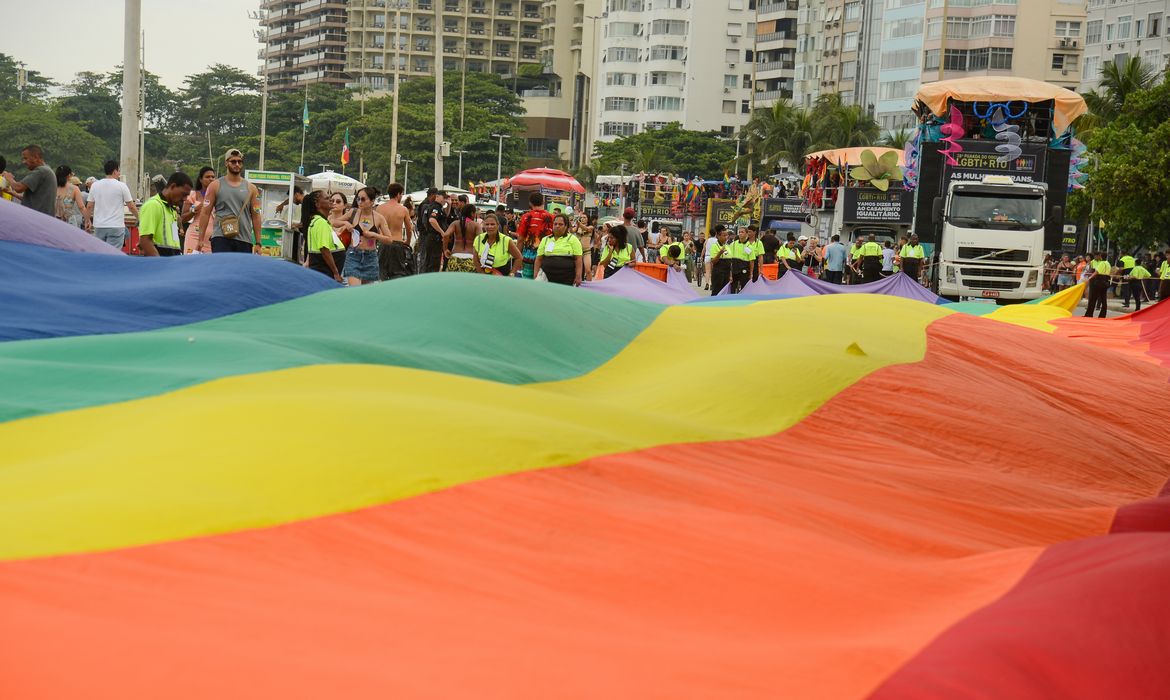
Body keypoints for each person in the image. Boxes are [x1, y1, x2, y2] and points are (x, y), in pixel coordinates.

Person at [195, 148, 262, 254]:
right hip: (221, 237)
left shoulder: (252, 188)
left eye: (239, 162)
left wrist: (258, 243)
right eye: (233, 161)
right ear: (226, 163)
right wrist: (200, 239)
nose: (237, 164)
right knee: (221, 265)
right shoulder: (215, 185)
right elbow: (205, 212)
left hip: (244, 239)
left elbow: (256, 216)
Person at [343, 187, 392, 286]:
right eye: (358, 199)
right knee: (355, 290)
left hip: (370, 257)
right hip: (354, 255)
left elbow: (389, 239)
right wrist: (345, 223)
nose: (359, 202)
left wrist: (374, 234)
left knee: (367, 292)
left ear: (372, 201)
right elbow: (333, 221)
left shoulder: (379, 218)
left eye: (363, 199)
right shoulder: (353, 212)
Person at [137, 172, 193, 257]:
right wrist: (160, 262)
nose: (185, 199)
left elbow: (173, 241)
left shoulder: (172, 209)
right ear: (173, 186)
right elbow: (145, 241)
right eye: (184, 194)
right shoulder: (153, 205)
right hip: (160, 262)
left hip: (172, 259)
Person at [87, 159, 138, 249]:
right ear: (115, 171)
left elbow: (89, 206)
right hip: (116, 226)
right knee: (113, 253)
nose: (119, 173)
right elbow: (131, 206)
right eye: (118, 171)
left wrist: (87, 220)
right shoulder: (122, 186)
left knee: (100, 252)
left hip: (99, 226)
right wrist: (139, 217)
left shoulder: (95, 185)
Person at [374, 182, 415, 280]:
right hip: (397, 243)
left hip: (383, 243)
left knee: (382, 270)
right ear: (398, 194)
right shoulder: (403, 209)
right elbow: (409, 229)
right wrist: (408, 241)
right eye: (401, 194)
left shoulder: (379, 208)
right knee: (398, 272)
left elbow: (375, 228)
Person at [302, 190, 345, 281]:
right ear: (317, 204)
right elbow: (324, 249)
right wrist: (335, 272)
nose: (331, 200)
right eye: (327, 198)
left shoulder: (316, 220)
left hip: (321, 270)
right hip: (325, 272)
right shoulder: (321, 223)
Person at [2, 145, 56, 217]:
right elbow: (34, 200)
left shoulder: (41, 171)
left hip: (36, 218)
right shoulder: (47, 170)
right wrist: (12, 192)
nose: (23, 162)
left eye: (25, 158)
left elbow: (19, 188)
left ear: (36, 157)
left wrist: (9, 178)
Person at [533, 213, 583, 286]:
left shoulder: (573, 239)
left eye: (560, 224)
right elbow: (539, 259)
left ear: (566, 226)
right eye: (555, 224)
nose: (557, 226)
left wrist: (578, 276)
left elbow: (578, 259)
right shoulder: (545, 239)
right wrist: (536, 275)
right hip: (546, 277)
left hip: (567, 277)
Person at [515, 192, 553, 279]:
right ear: (543, 202)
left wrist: (518, 258)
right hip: (546, 256)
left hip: (529, 256)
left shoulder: (526, 217)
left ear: (530, 203)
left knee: (527, 282)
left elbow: (520, 239)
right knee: (543, 281)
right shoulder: (552, 217)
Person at [181, 167, 216, 254]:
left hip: (212, 238)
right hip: (194, 236)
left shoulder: (219, 196)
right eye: (207, 177)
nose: (211, 179)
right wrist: (193, 211)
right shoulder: (193, 195)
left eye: (213, 177)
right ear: (200, 179)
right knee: (191, 261)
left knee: (209, 263)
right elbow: (183, 218)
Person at [443, 203, 481, 273]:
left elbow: (445, 235)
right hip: (471, 258)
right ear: (472, 213)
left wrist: (445, 249)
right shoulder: (476, 225)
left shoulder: (455, 223)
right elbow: (480, 241)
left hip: (455, 257)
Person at [55, 165, 88, 229]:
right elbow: (81, 207)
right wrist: (87, 219)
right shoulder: (74, 189)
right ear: (69, 175)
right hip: (69, 222)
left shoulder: (52, 187)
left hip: (53, 220)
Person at [1084, 251, 1112, 318]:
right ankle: (1102, 315)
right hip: (1106, 280)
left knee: (1093, 297)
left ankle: (1089, 314)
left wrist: (1089, 278)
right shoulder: (1108, 263)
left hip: (1099, 280)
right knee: (1103, 298)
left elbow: (1096, 272)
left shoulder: (1102, 263)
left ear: (1100, 256)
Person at [708, 226, 732, 295]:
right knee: (716, 291)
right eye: (724, 235)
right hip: (718, 272)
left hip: (727, 272)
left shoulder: (727, 246)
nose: (726, 237)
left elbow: (730, 262)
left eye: (726, 235)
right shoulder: (714, 246)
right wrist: (720, 253)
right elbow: (713, 261)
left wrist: (730, 275)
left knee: (725, 292)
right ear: (718, 236)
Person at [572, 213, 595, 281]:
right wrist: (569, 224)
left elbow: (587, 229)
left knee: (588, 270)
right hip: (578, 251)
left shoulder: (591, 227)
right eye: (581, 217)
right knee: (576, 271)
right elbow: (571, 231)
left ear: (588, 219)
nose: (582, 219)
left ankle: (589, 285)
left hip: (586, 251)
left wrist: (579, 223)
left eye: (584, 217)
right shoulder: (577, 227)